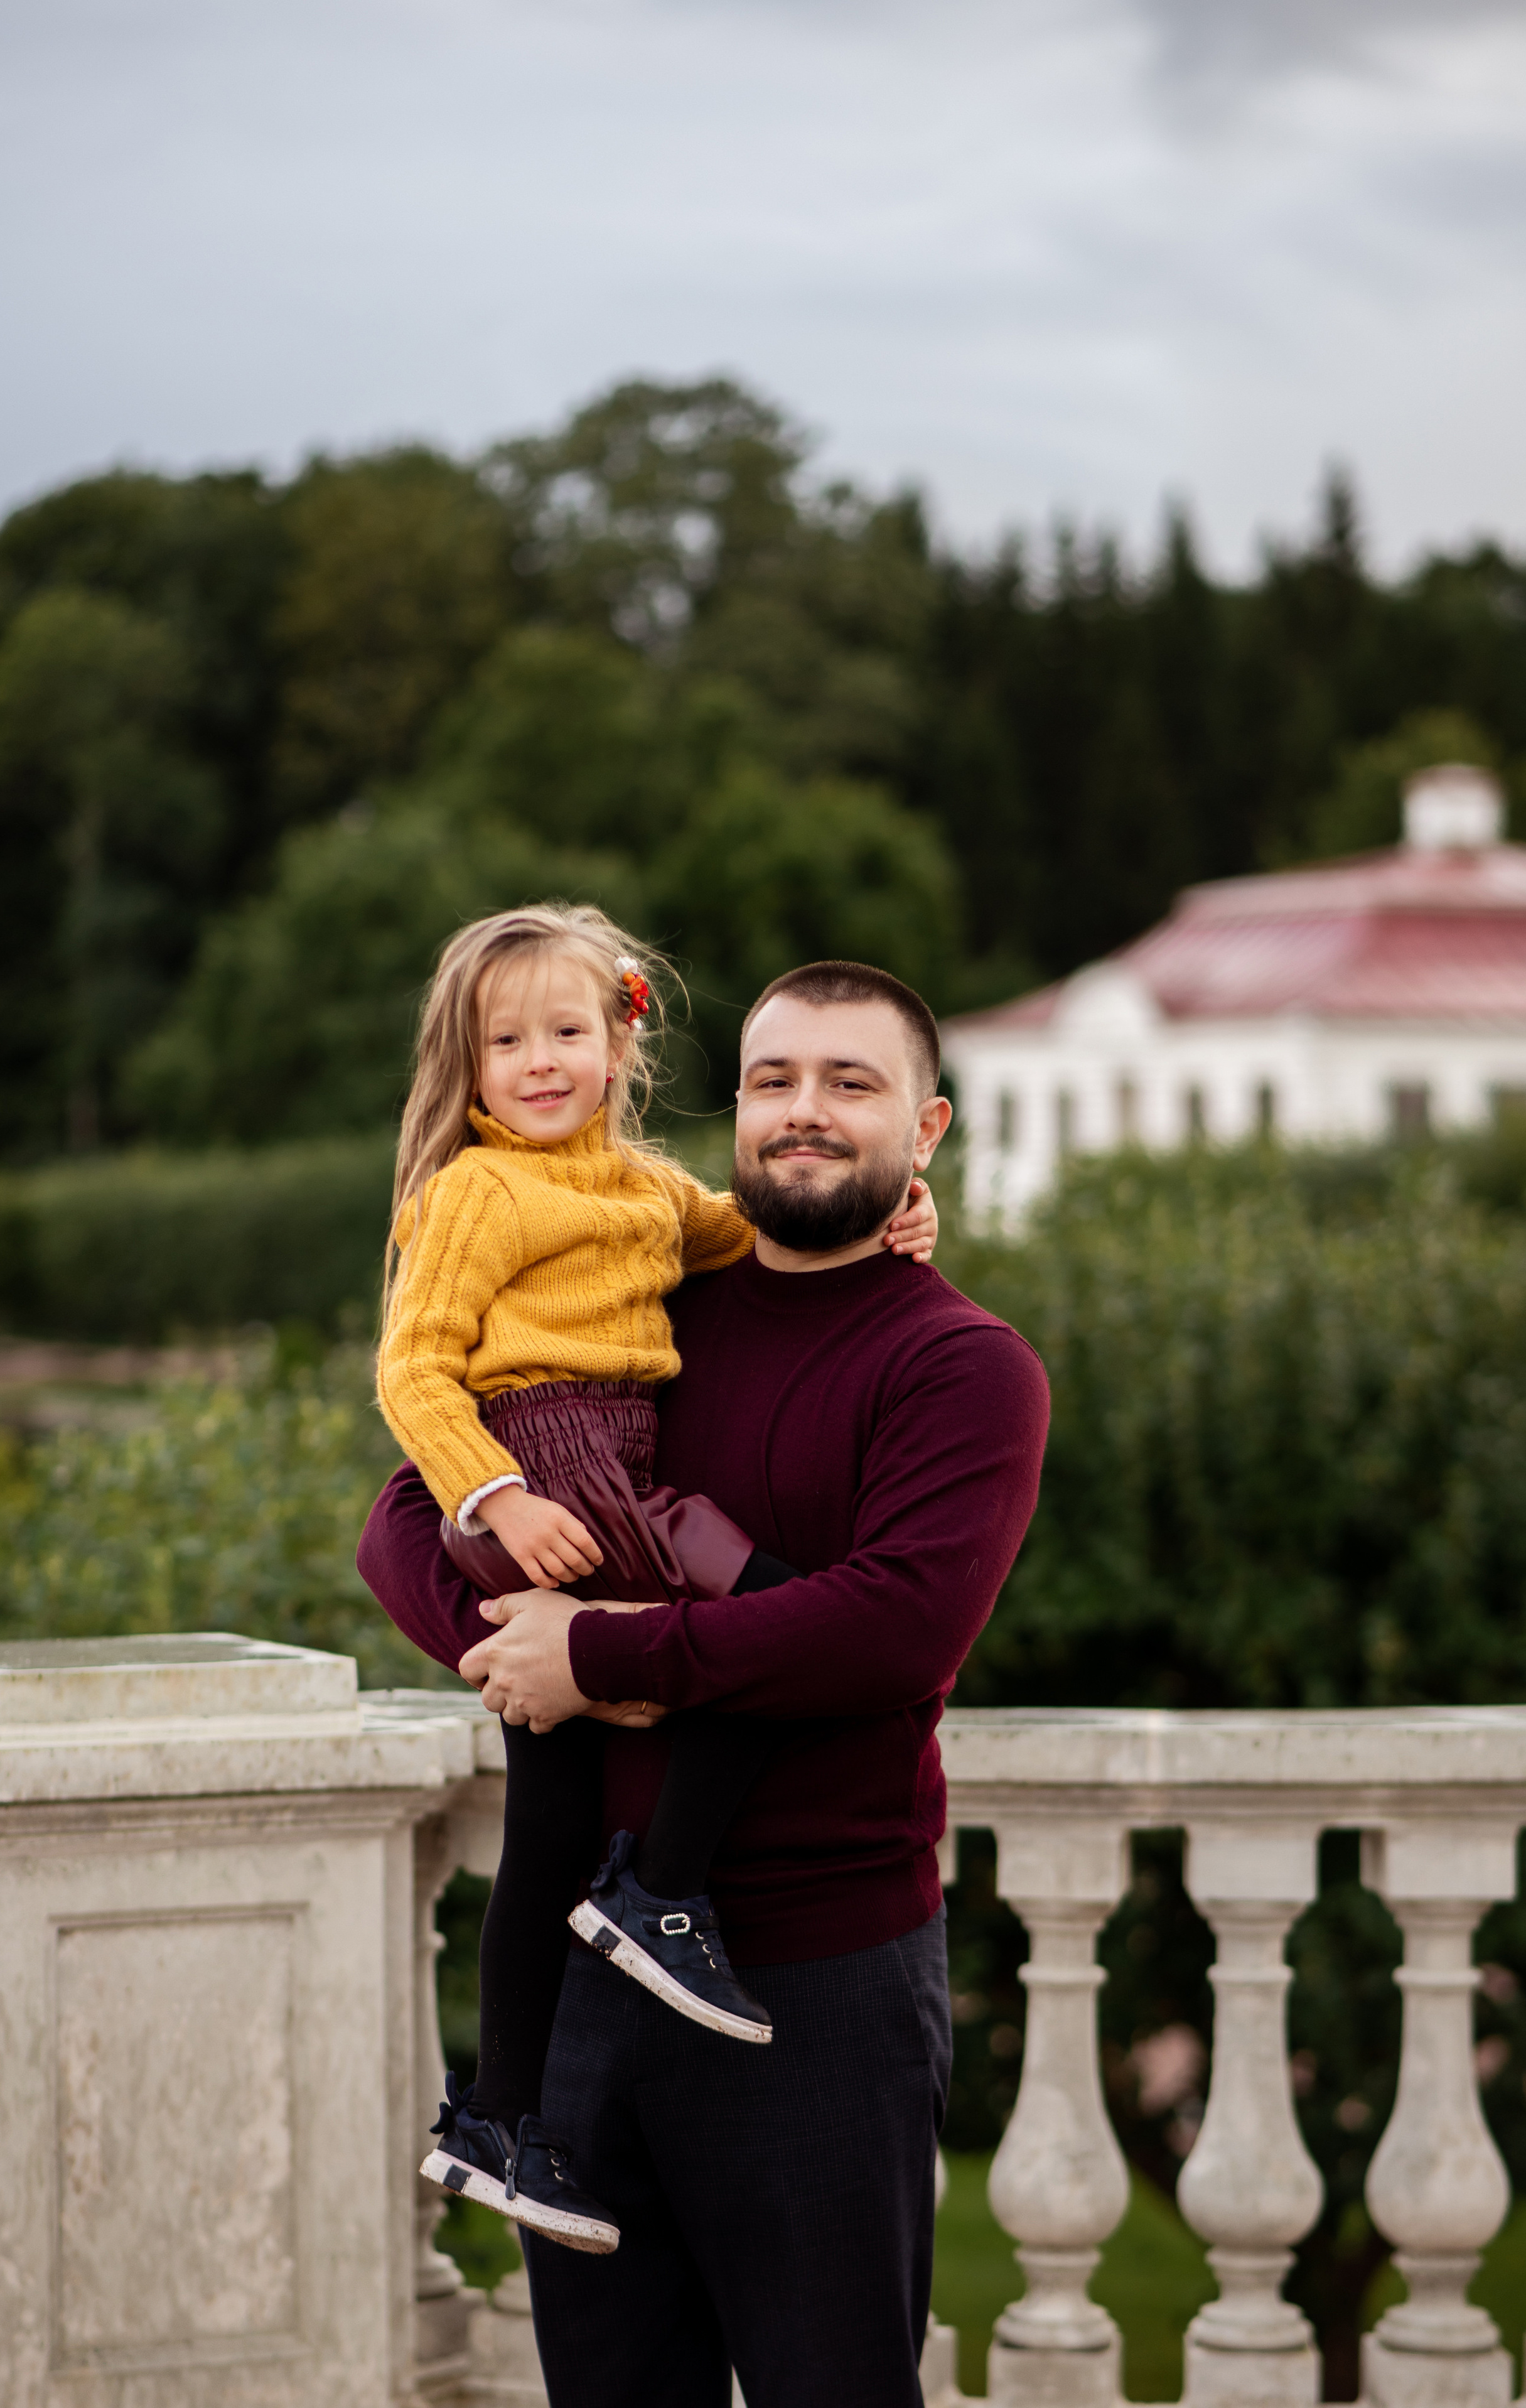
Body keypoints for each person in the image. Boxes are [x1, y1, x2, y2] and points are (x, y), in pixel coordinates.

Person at [358, 953, 1050, 2408]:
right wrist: (513, 1638)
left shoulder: (961, 1366)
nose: (804, 1112)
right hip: (585, 1987)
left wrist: (598, 1656)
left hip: (814, 1987)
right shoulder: (644, 1303)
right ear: (732, 1109)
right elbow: (404, 1517)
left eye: (850, 1083)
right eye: (774, 1080)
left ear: (924, 1129)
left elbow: (890, 1628)